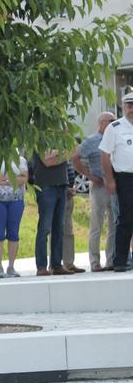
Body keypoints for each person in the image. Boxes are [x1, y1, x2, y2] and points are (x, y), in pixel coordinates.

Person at [74, 112, 117, 271]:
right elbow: (76, 158)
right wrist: (89, 176)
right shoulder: (91, 141)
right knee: (96, 225)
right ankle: (95, 262)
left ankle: (111, 260)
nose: (114, 123)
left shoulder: (115, 139)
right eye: (111, 120)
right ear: (102, 124)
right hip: (99, 186)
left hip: (115, 186)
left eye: (115, 120)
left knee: (114, 225)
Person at [101, 91, 133, 272]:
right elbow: (104, 155)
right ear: (124, 107)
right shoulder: (115, 127)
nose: (132, 109)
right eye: (129, 106)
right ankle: (120, 261)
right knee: (126, 218)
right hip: (125, 178)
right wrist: (109, 179)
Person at [32, 147, 71, 276]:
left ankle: (56, 265)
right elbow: (47, 161)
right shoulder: (40, 136)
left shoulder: (62, 138)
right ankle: (41, 266)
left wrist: (56, 154)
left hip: (61, 185)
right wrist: (65, 152)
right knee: (45, 227)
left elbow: (76, 149)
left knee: (59, 227)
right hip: (46, 185)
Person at [0, 154, 28, 278]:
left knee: (13, 234)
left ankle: (11, 267)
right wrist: (15, 178)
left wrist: (6, 178)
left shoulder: (21, 160)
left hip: (16, 200)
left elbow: (25, 177)